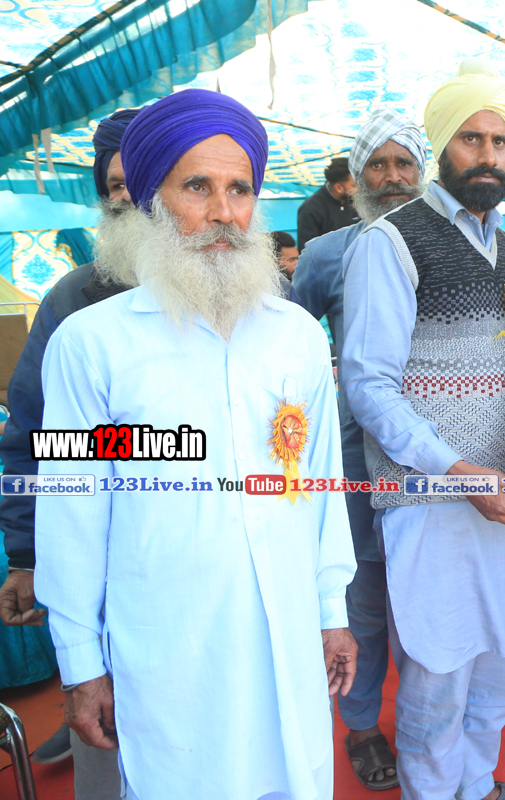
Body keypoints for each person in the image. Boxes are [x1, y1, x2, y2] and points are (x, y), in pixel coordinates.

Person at [34, 88, 357, 799]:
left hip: (288, 640)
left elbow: (321, 485)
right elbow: (72, 512)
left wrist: (332, 612)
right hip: (171, 656)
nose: (222, 213)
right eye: (197, 187)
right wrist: (81, 663)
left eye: (239, 190)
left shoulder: (297, 337)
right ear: (153, 201)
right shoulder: (91, 345)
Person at [341, 60, 505, 800]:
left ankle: (479, 786)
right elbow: (368, 386)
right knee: (436, 684)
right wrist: (458, 473)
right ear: (442, 146)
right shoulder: (391, 241)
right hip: (433, 503)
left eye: (500, 141)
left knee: (500, 672)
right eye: (471, 138)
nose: (488, 155)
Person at [0, 108, 140, 792]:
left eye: (141, 182)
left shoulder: (242, 301)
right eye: (112, 186)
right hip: (102, 561)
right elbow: (33, 438)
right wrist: (27, 555)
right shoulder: (74, 300)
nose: (126, 199)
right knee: (108, 752)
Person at [292, 106, 427, 791]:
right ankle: (363, 726)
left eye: (405, 163)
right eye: (378, 164)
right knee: (364, 606)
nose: (393, 177)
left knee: (427, 604)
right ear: (356, 177)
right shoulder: (326, 253)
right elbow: (289, 344)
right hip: (354, 463)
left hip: (439, 465)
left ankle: (427, 730)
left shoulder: (454, 247)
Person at [297, 156, 360, 250]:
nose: (359, 189)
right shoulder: (311, 209)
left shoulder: (358, 203)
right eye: (354, 185)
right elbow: (307, 250)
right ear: (339, 188)